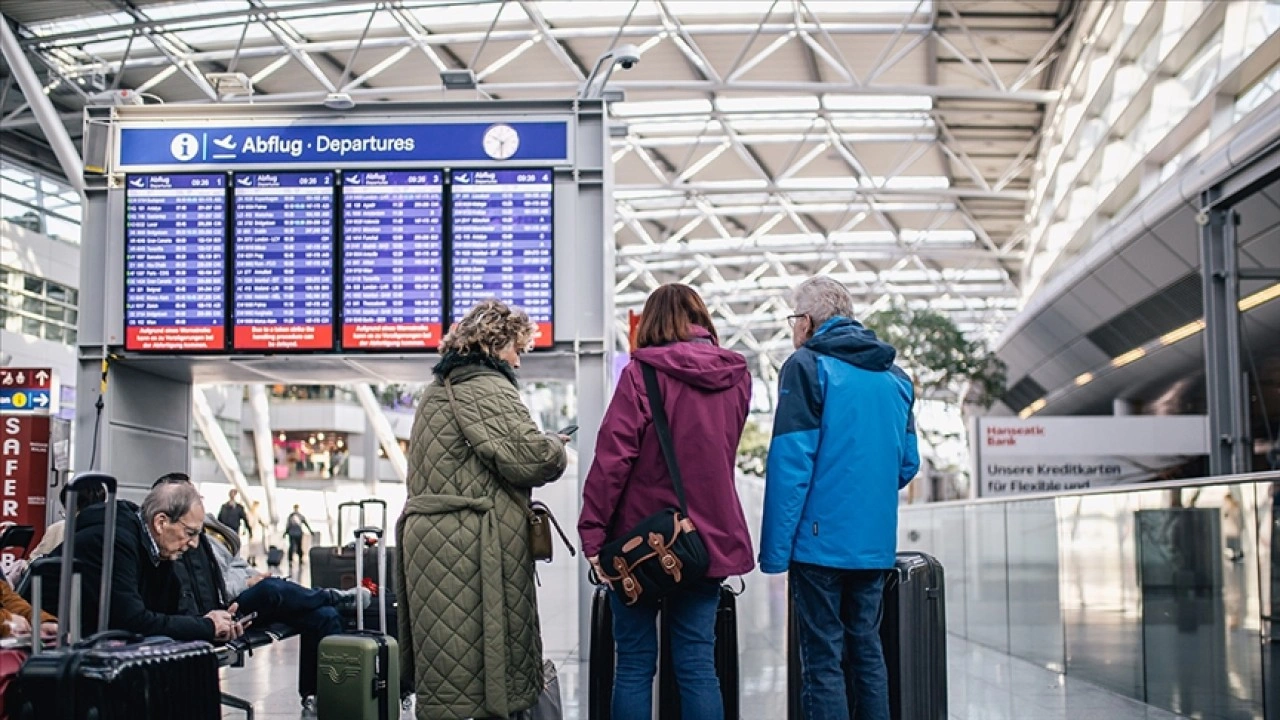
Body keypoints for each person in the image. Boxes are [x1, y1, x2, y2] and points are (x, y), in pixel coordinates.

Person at [579, 283, 755, 720]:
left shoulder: (640, 374)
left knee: (635, 665)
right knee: (697, 665)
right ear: (701, 320)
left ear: (653, 322)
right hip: (707, 538)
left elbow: (612, 461)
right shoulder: (736, 376)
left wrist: (593, 535)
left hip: (640, 542)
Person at [398, 299, 569, 719]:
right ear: (496, 344)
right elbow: (531, 458)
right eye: (516, 348)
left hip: (434, 543)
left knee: (449, 666)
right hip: (473, 548)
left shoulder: (439, 389)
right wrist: (554, 445)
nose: (518, 360)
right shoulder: (486, 386)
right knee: (485, 666)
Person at [759, 276, 920, 720]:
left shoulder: (807, 367)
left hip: (819, 547)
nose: (794, 329)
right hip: (873, 546)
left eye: (794, 319)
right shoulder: (896, 377)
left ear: (807, 322)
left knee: (824, 660)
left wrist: (774, 555)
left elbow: (791, 465)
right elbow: (907, 464)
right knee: (868, 650)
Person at [153, 474, 367, 715]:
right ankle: (332, 596)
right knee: (272, 590)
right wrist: (249, 582)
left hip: (238, 600)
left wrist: (255, 576)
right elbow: (215, 587)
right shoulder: (179, 542)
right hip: (224, 608)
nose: (196, 502)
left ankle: (315, 696)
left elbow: (236, 564)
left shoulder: (207, 534)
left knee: (323, 616)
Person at [39, 479, 243, 643]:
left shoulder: (155, 548)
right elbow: (132, 620)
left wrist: (215, 623)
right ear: (161, 522)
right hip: (47, 636)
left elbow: (166, 612)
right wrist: (206, 626)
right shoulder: (116, 541)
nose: (194, 544)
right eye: (190, 533)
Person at [284, 504, 313, 569]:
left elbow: (288, 526)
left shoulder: (291, 516)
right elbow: (305, 523)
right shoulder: (299, 516)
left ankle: (291, 560)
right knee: (298, 546)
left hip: (292, 533)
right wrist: (310, 531)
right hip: (298, 533)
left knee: (292, 547)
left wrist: (285, 533)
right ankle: (299, 559)